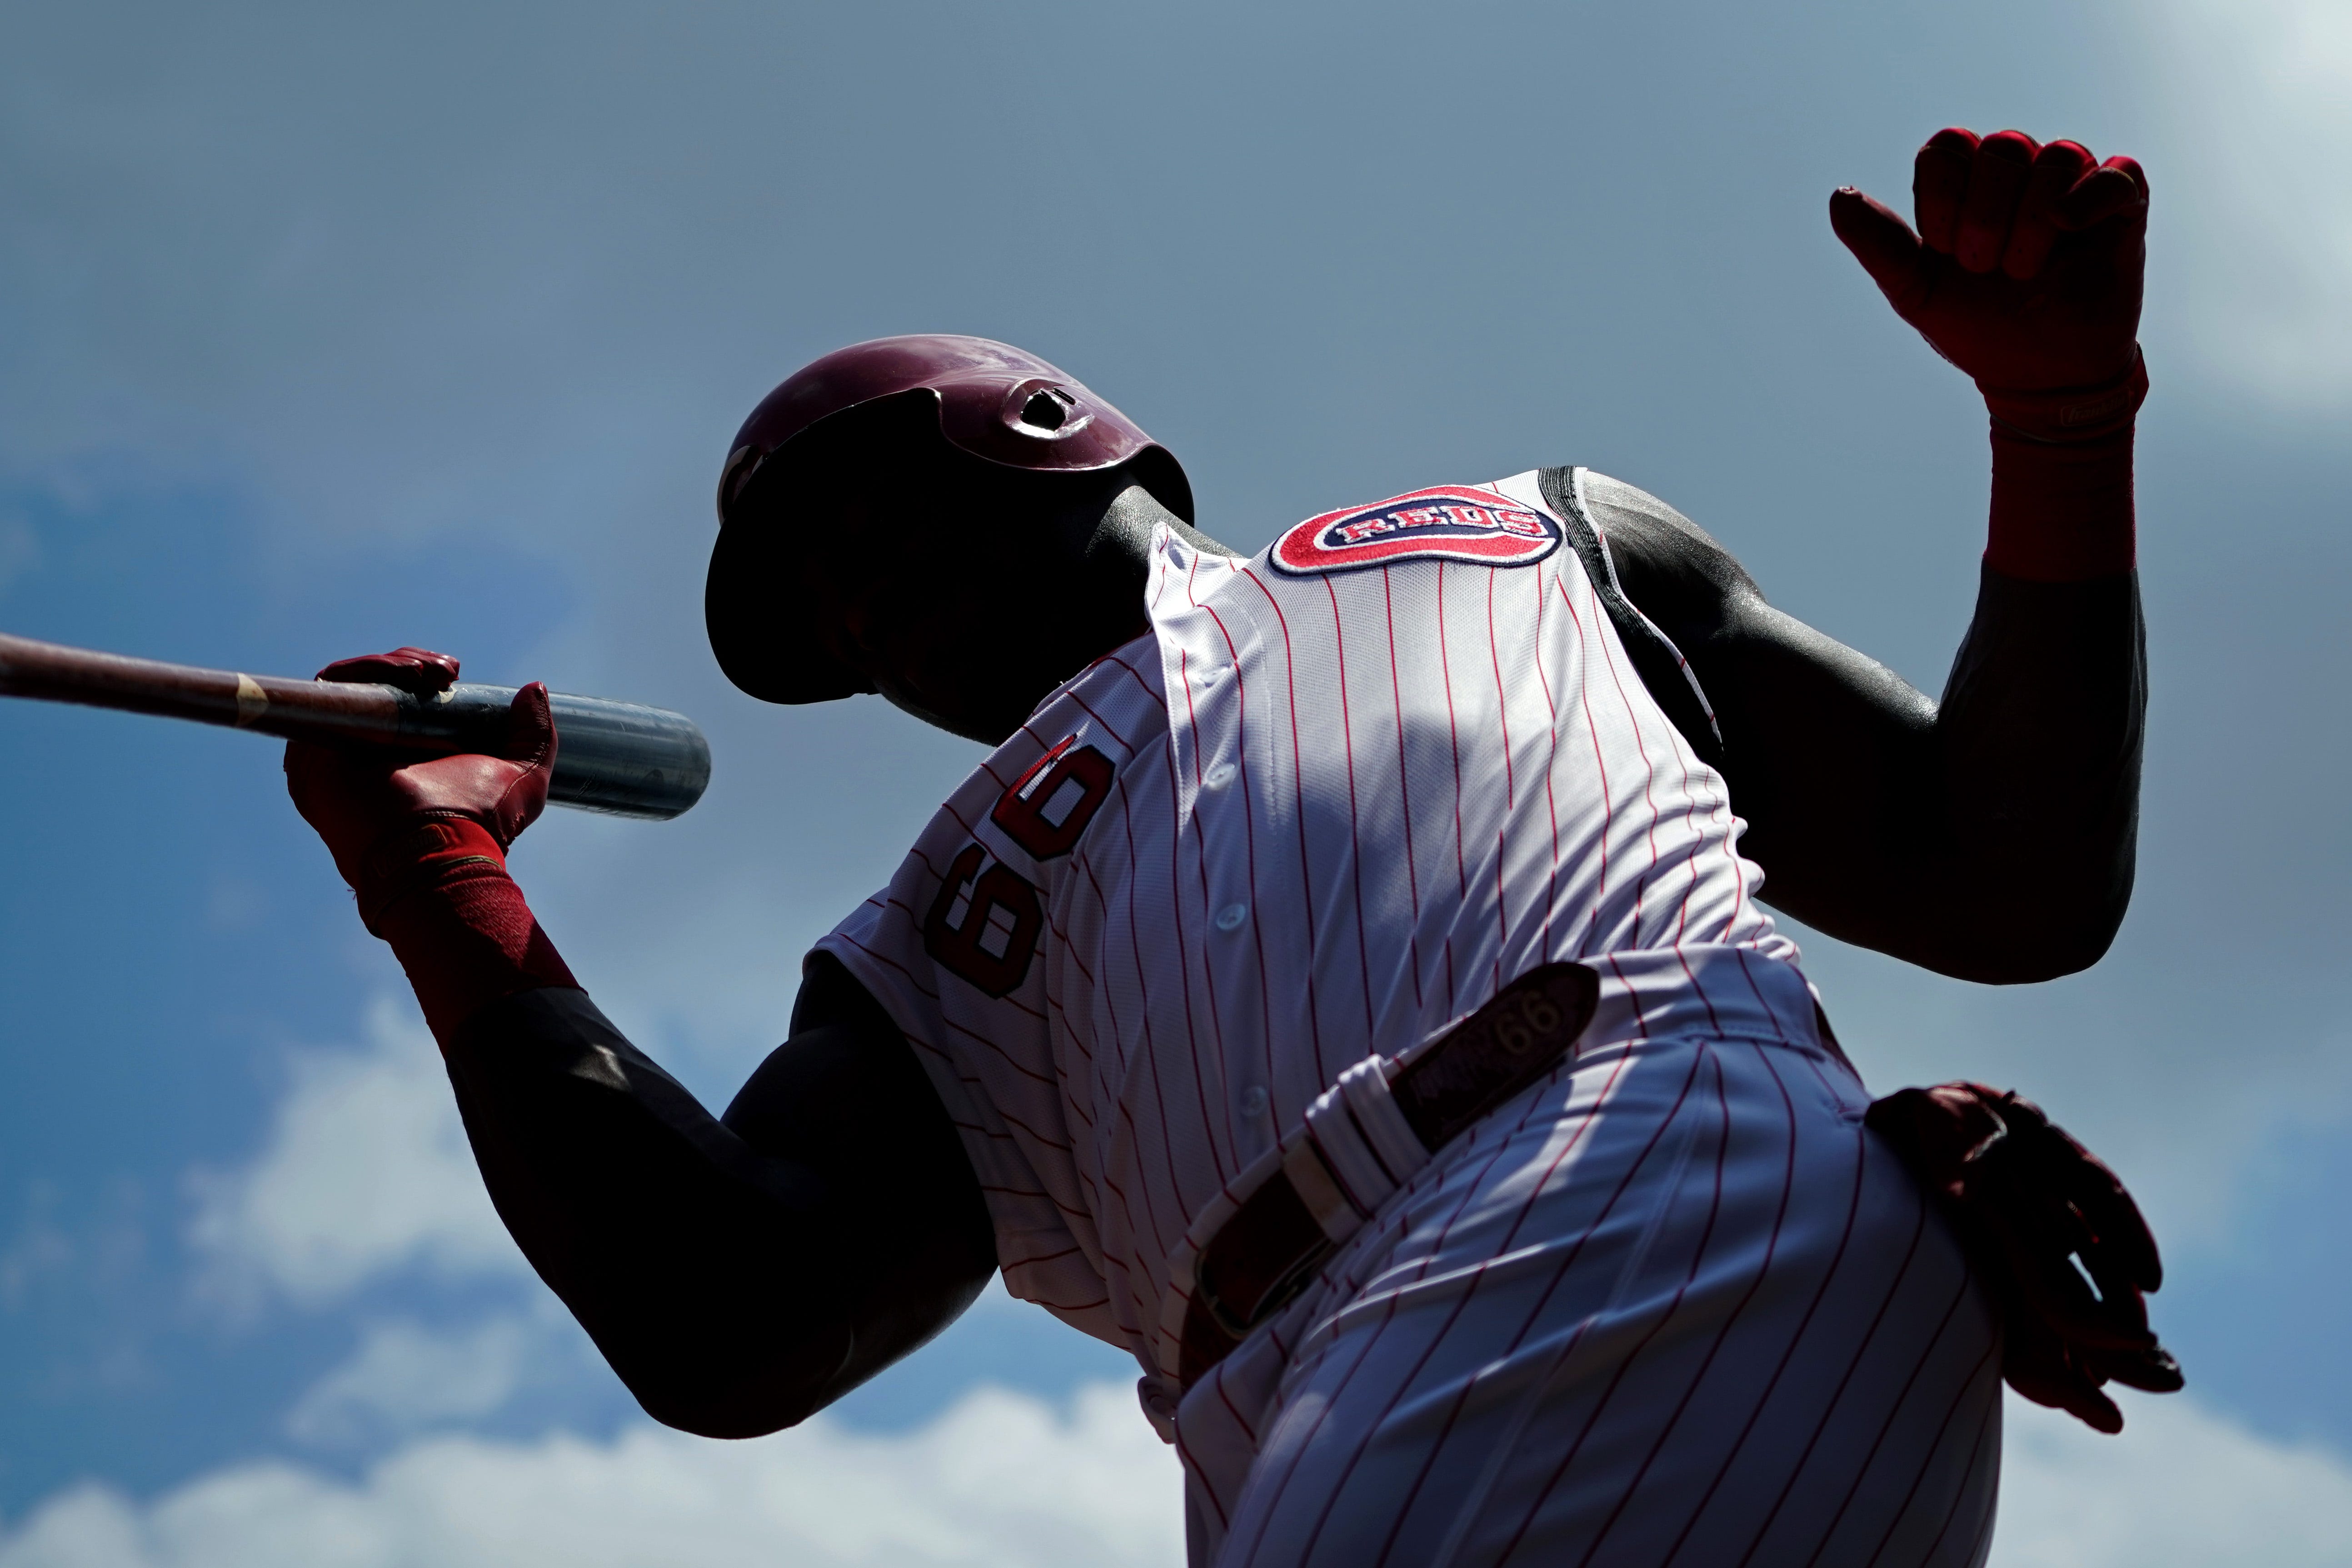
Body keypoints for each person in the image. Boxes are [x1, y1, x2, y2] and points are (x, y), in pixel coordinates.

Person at [285, 127, 2176, 1567]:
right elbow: (729, 1320)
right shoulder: (934, 938)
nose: (853, 602)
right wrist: (439, 881)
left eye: (864, 518)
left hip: (1634, 1194)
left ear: (1048, 429)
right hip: (1301, 1392)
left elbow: (2003, 870)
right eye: (819, 611)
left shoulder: (1521, 534)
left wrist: (2059, 419)